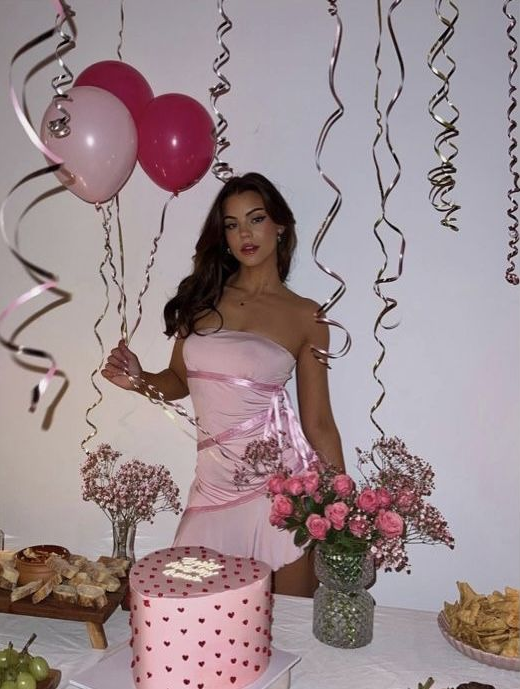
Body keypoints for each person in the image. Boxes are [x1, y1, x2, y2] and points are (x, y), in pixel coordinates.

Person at [102, 172, 345, 597]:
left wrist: (344, 508)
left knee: (288, 625)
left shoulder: (307, 316)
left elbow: (319, 422)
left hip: (281, 494)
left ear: (280, 226)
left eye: (256, 219)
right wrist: (139, 380)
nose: (244, 234)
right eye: (232, 224)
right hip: (212, 491)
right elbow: (178, 380)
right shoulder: (201, 299)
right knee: (191, 616)